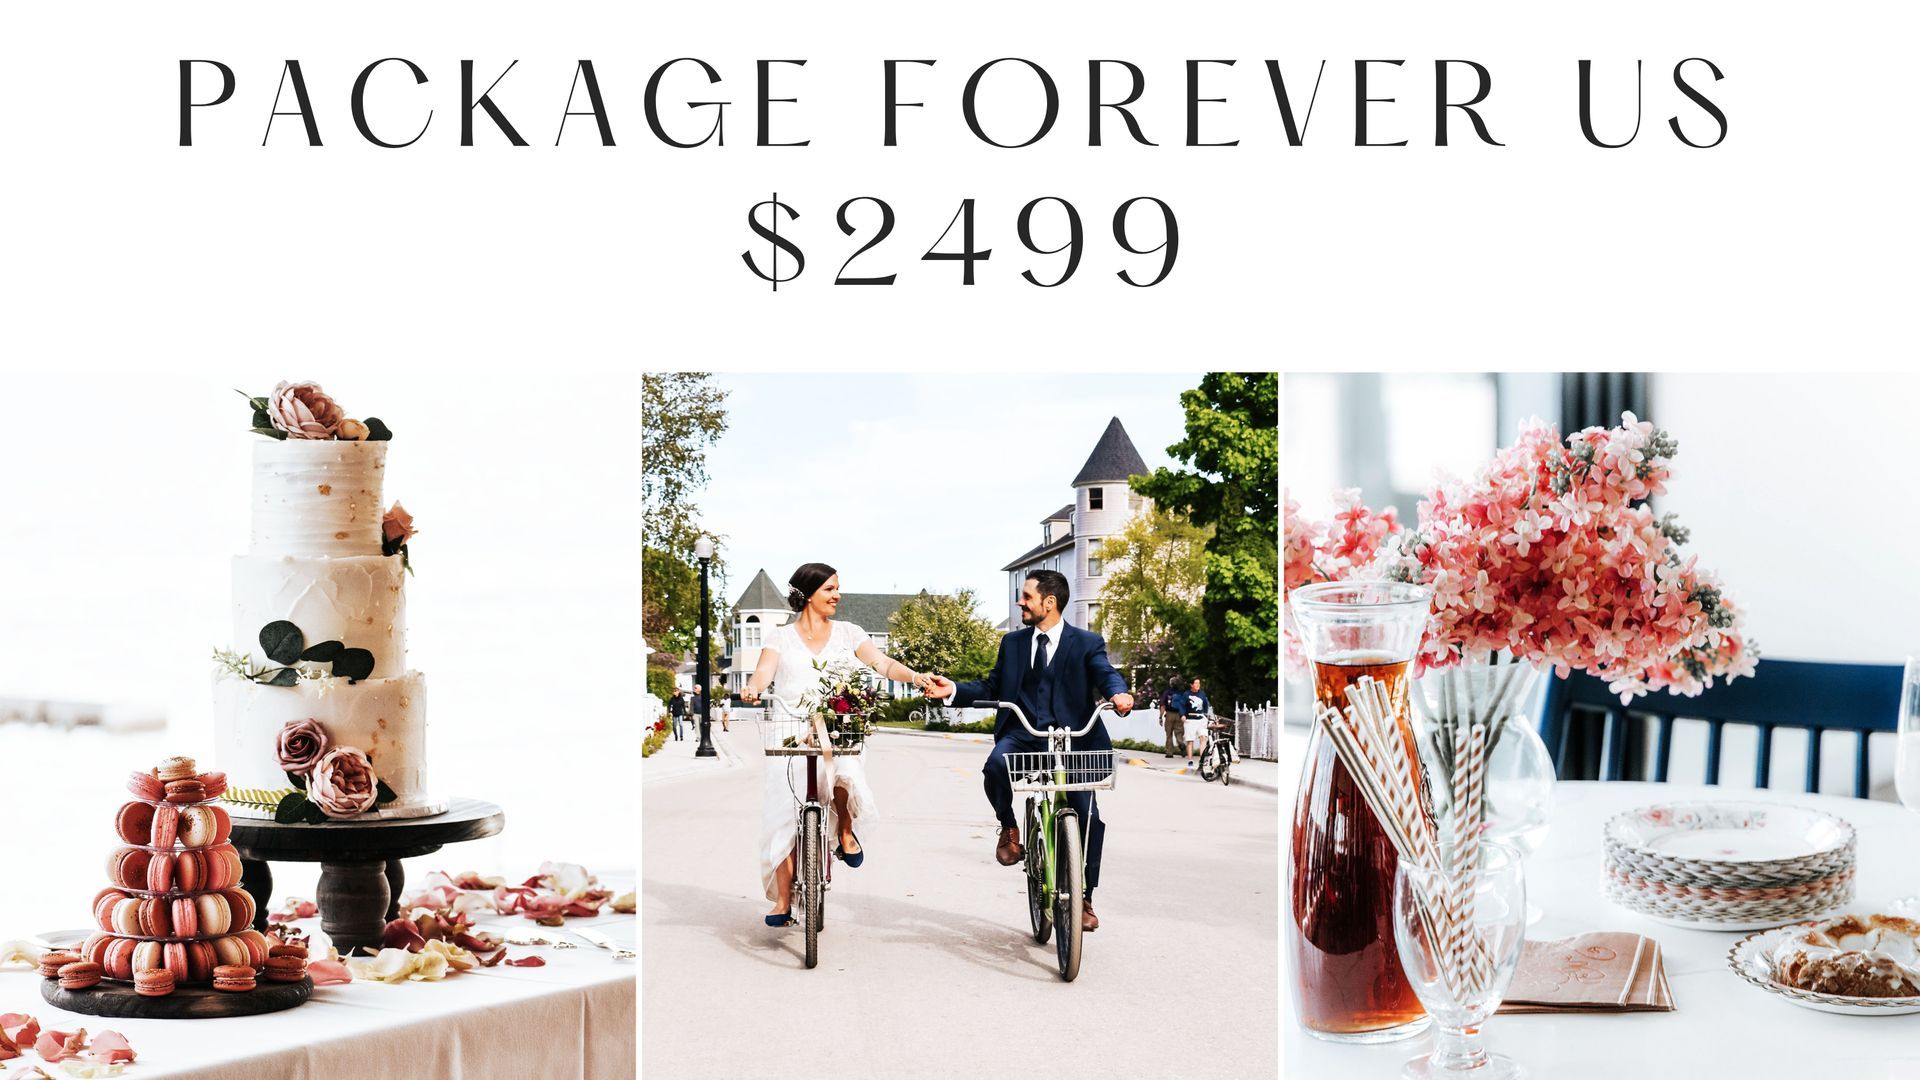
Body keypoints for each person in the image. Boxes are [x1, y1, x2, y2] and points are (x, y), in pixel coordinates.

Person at [925, 569, 1133, 932]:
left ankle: (1084, 897)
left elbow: (1105, 672)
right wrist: (953, 689)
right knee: (994, 767)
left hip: (1076, 740)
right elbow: (993, 685)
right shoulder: (1014, 644)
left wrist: (1118, 693)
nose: (1020, 602)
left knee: (1088, 817)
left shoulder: (1086, 642)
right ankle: (1009, 827)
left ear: (1048, 603)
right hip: (1025, 734)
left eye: (1027, 596)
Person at [742, 562, 935, 928]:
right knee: (782, 816)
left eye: (837, 588)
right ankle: (783, 900)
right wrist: (753, 687)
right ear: (809, 594)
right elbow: (764, 672)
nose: (837, 595)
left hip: (839, 726)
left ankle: (845, 830)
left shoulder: (849, 632)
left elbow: (881, 662)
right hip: (792, 732)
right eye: (830, 589)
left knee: (845, 773)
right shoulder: (780, 638)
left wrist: (913, 676)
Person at [1177, 676, 1212, 767]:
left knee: (1203, 738)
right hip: (1190, 720)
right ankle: (1190, 760)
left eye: (1199, 683)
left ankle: (1202, 759)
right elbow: (1181, 705)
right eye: (1196, 683)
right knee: (1190, 740)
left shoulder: (1202, 694)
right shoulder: (1186, 694)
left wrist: (1206, 714)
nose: (1198, 685)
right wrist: (1183, 715)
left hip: (1201, 719)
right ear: (1191, 685)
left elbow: (1205, 705)